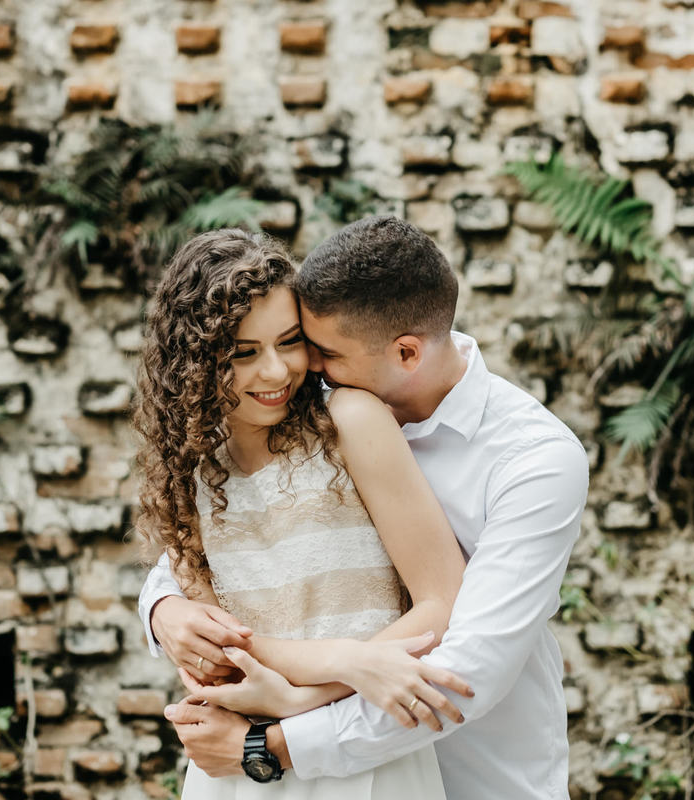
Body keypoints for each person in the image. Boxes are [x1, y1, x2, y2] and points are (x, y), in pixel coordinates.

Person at [142, 216, 590, 800]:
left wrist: (284, 729)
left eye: (311, 349)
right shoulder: (274, 425)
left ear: (405, 352)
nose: (297, 373)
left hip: (472, 770)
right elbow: (223, 564)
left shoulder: (533, 460)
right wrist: (163, 610)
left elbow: (469, 661)